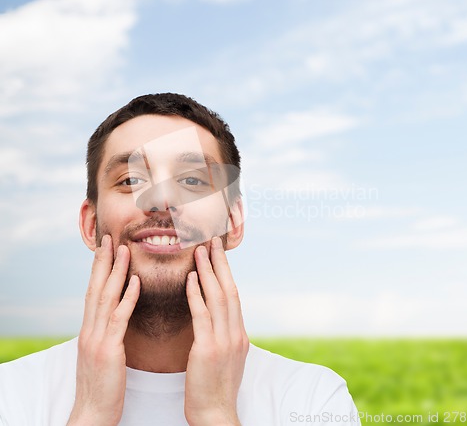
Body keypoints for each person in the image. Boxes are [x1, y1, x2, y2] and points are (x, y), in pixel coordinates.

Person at [0, 93, 360, 426]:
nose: (160, 201)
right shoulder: (11, 395)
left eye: (191, 180)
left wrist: (216, 413)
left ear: (232, 222)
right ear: (90, 223)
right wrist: (91, 412)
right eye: (130, 180)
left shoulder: (313, 398)